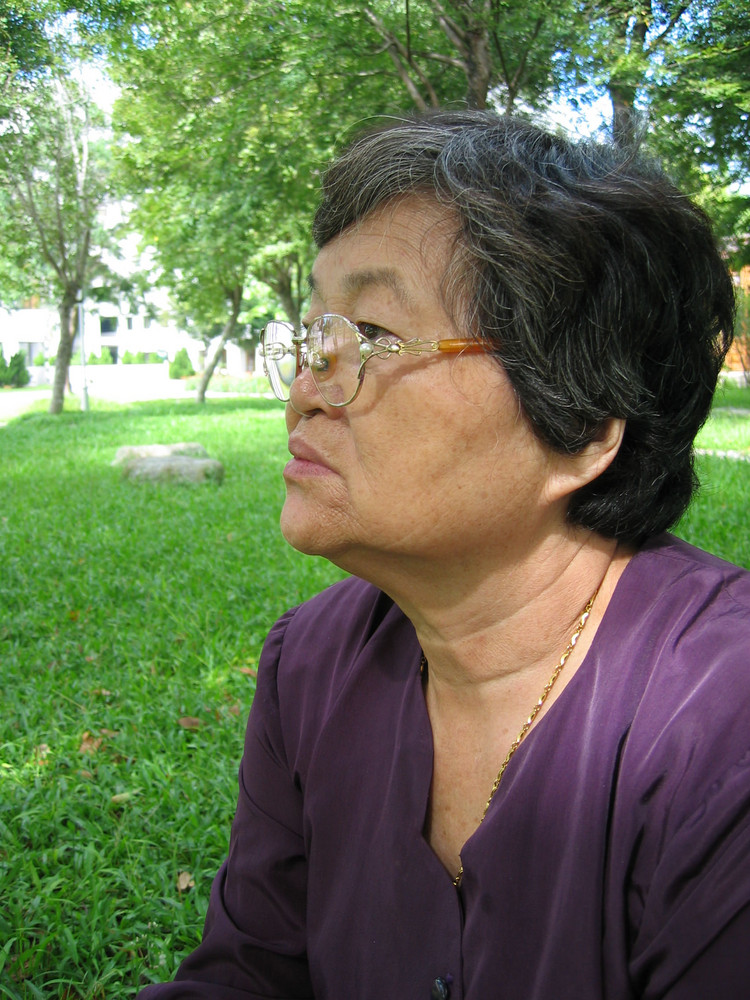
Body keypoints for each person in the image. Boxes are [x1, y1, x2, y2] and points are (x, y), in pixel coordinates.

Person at [137, 111, 749, 1000]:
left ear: (581, 424)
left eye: (370, 337)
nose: (305, 390)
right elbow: (249, 976)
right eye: (312, 336)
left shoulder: (722, 724)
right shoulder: (310, 665)